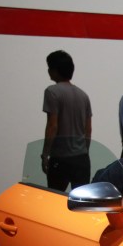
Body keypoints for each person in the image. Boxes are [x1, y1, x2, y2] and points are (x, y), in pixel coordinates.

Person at [42, 50, 92, 191]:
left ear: (55, 70)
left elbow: (52, 126)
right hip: (81, 158)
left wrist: (46, 154)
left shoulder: (52, 92)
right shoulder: (83, 95)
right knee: (81, 204)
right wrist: (84, 152)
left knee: (55, 200)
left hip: (60, 157)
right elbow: (88, 129)